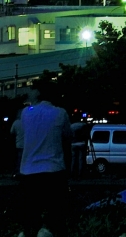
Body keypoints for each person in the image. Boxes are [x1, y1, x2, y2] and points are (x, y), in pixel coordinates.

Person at [12, 88, 70, 236]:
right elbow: (67, 135)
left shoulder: (26, 113)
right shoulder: (61, 113)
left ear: (38, 96)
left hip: (29, 170)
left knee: (31, 215)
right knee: (56, 217)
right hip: (54, 169)